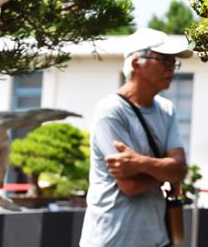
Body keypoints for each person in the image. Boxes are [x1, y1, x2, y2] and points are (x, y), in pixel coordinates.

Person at [80, 28, 191, 247]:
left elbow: (180, 169)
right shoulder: (110, 111)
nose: (171, 67)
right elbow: (130, 184)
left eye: (173, 61)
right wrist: (165, 172)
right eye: (164, 60)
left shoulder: (166, 109)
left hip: (156, 239)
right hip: (110, 239)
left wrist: (141, 163)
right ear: (135, 63)